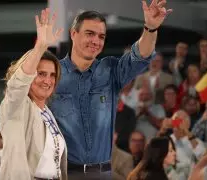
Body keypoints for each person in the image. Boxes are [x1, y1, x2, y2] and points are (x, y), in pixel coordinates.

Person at [49, 0, 173, 179]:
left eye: (101, 36)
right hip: (64, 174)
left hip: (103, 174)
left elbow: (141, 56)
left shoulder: (110, 70)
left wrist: (150, 28)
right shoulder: (52, 74)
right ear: (73, 34)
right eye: (90, 34)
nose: (95, 41)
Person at [0, 9, 67, 180]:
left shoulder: (47, 113)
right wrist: (40, 48)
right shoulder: (16, 106)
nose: (47, 81)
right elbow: (17, 85)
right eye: (41, 73)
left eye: (52, 75)